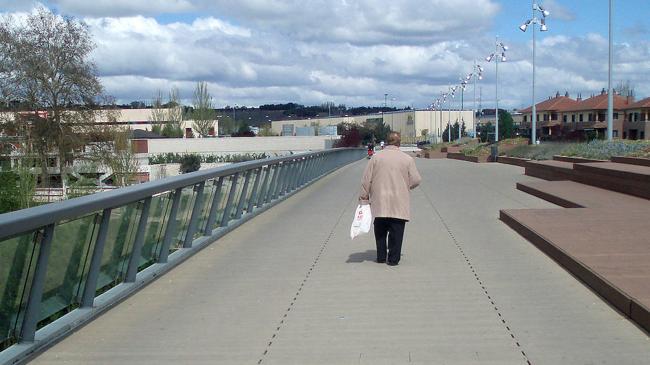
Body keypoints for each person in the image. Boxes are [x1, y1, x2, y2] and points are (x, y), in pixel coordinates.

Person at [359, 132, 421, 266]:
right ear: (399, 143)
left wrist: (364, 197)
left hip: (379, 199)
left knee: (380, 229)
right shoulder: (407, 159)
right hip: (399, 200)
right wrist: (406, 186)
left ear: (386, 142)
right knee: (397, 230)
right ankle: (393, 259)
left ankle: (381, 256)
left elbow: (366, 180)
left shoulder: (376, 158)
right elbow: (416, 180)